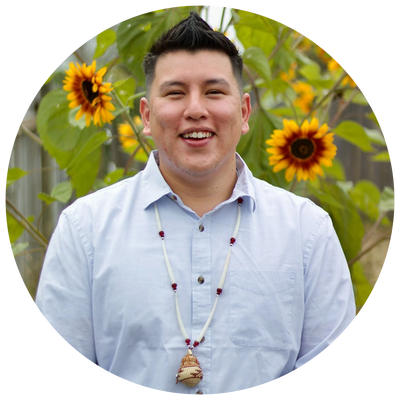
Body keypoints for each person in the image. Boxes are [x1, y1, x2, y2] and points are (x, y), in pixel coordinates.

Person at [34, 12, 356, 396]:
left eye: (214, 92)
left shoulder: (307, 232)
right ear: (146, 116)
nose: (195, 109)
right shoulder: (84, 230)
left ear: (244, 112)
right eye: (175, 93)